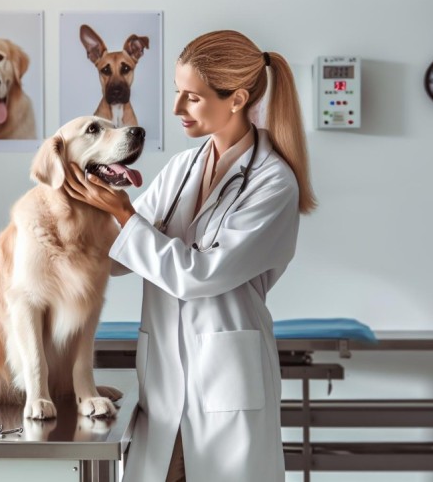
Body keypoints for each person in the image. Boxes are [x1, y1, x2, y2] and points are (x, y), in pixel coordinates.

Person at [64, 30, 316, 482]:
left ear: (236, 99)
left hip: (224, 388)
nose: (177, 108)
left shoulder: (273, 183)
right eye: (177, 93)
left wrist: (122, 211)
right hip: (164, 386)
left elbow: (197, 275)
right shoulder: (184, 167)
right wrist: (77, 218)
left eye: (192, 98)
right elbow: (125, 256)